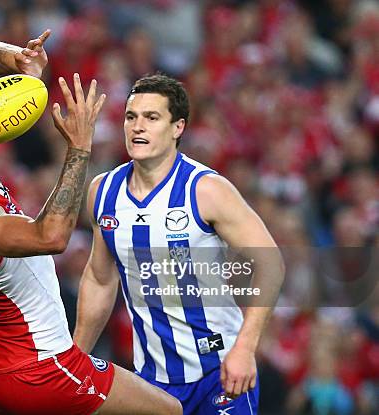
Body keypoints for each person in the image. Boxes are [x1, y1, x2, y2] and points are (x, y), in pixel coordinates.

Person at [0, 32, 182, 415]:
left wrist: (18, 61)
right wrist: (79, 146)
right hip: (39, 368)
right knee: (169, 411)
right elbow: (53, 236)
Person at [73, 73, 285, 415]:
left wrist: (245, 348)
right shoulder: (103, 191)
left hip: (219, 373)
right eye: (131, 117)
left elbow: (271, 263)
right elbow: (100, 278)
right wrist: (76, 358)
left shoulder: (206, 190)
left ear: (178, 127)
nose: (137, 127)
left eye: (151, 117)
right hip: (151, 384)